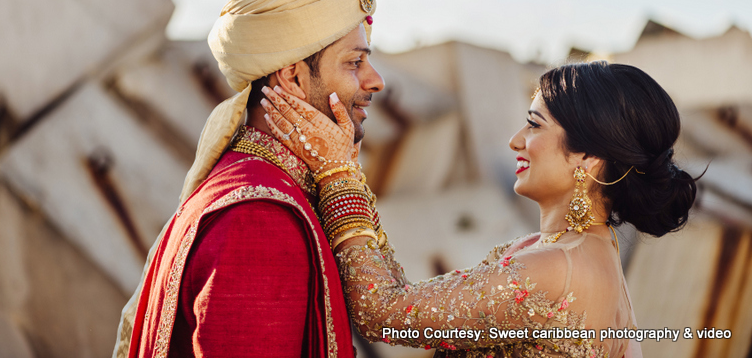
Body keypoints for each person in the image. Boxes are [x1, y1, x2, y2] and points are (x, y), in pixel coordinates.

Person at [262, 61, 699, 358]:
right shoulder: (579, 253)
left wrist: (339, 175)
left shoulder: (554, 268)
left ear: (588, 157)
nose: (515, 140)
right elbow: (405, 297)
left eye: (534, 124)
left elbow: (384, 314)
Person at [112, 0, 386, 358]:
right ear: (292, 78)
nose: (375, 81)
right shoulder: (259, 220)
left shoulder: (256, 184)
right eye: (354, 62)